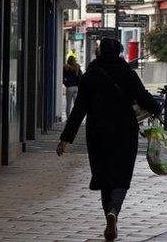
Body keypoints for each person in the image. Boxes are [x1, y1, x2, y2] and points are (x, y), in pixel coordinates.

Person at [57, 38, 161, 241]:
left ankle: (108, 215)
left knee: (104, 177)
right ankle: (114, 211)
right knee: (121, 176)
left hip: (97, 133)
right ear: (119, 52)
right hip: (124, 132)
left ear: (99, 53)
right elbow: (143, 97)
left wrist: (65, 139)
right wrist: (158, 109)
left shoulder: (90, 76)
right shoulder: (127, 74)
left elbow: (78, 110)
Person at [63, 55, 82, 120]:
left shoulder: (66, 67)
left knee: (68, 104)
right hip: (76, 87)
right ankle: (76, 118)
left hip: (69, 87)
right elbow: (80, 77)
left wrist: (66, 84)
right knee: (76, 104)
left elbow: (63, 78)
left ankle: (68, 118)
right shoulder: (77, 67)